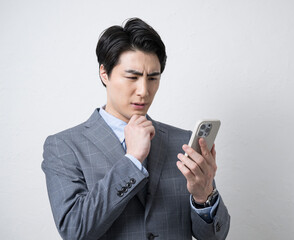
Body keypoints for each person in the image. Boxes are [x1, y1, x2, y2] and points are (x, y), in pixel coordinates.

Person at [42, 18, 230, 240]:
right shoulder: (64, 146)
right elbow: (75, 230)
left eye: (153, 78)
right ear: (104, 73)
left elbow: (213, 237)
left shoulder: (183, 142)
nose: (144, 90)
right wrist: (132, 160)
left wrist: (204, 195)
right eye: (132, 77)